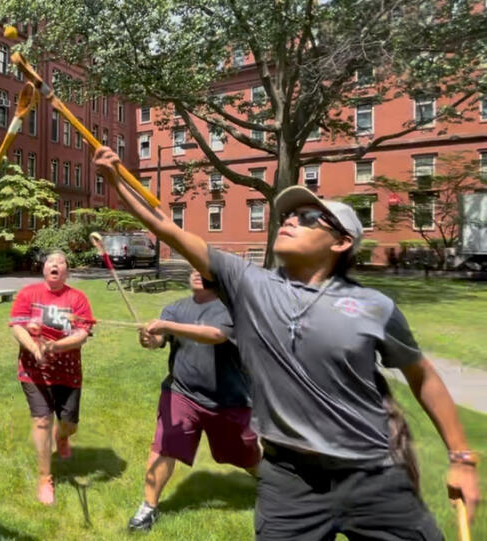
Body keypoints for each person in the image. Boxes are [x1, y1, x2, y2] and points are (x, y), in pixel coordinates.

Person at [94, 147, 479, 540]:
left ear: (341, 242)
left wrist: (461, 457)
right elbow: (169, 229)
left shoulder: (373, 306)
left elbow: (422, 376)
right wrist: (116, 181)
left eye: (308, 217)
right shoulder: (251, 286)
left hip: (372, 472)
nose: (291, 219)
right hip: (290, 480)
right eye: (288, 215)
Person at [128, 269, 259, 532]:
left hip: (228, 399)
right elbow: (158, 340)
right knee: (166, 445)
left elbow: (215, 335)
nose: (197, 273)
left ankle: (275, 485)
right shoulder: (175, 308)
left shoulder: (232, 307)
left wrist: (167, 326)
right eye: (193, 268)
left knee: (245, 455)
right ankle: (148, 508)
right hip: (181, 392)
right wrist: (148, 339)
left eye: (206, 269)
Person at [8, 250, 94, 505]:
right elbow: (17, 326)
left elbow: (82, 333)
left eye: (61, 262)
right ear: (43, 269)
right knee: (42, 421)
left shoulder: (77, 298)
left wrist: (55, 347)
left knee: (69, 423)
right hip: (34, 370)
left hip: (67, 371)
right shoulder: (28, 294)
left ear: (66, 271)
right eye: (50, 262)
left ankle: (63, 436)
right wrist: (35, 349)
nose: (55, 265)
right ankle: (45, 478)